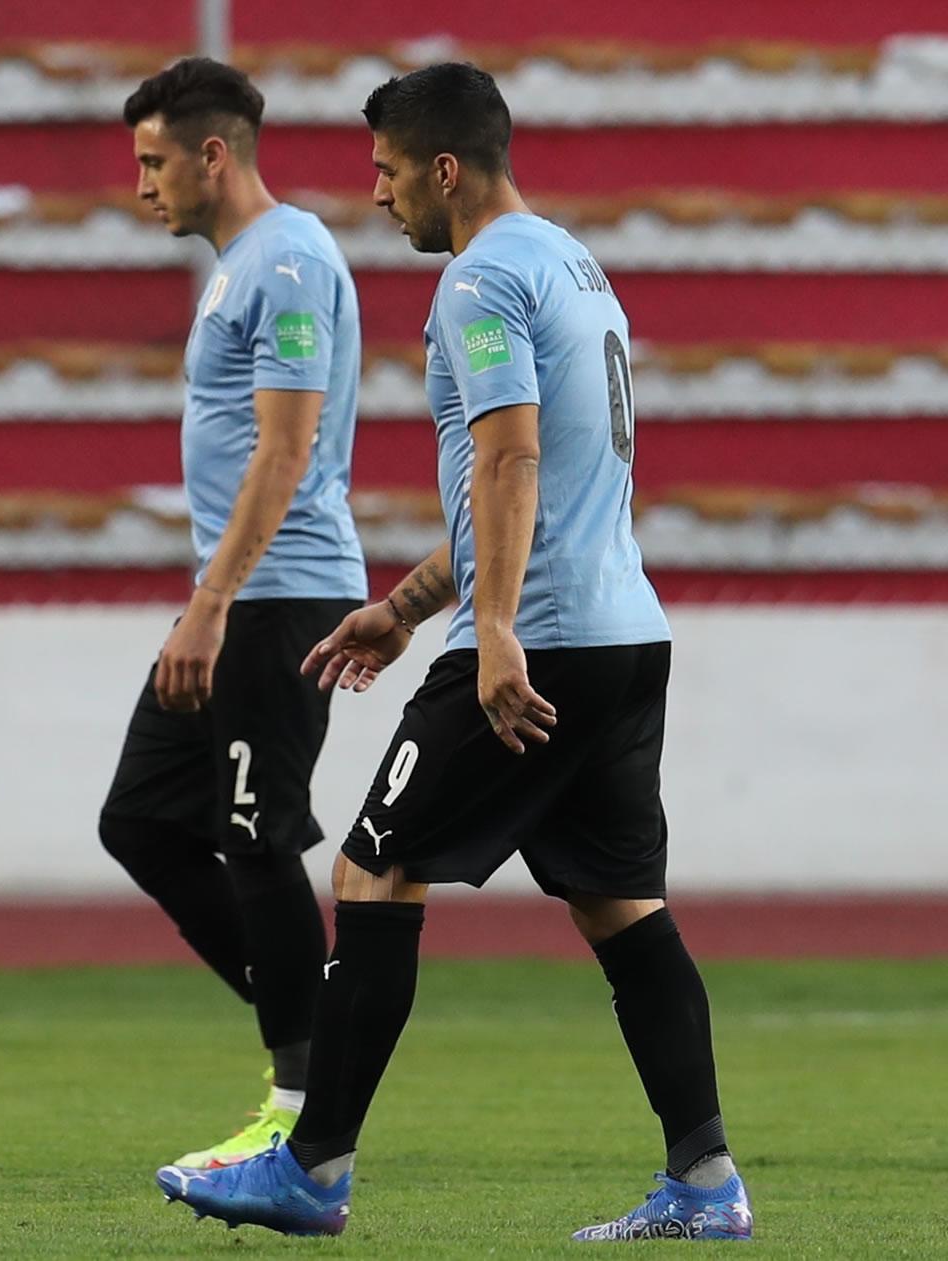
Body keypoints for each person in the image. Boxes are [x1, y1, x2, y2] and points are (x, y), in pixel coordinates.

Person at [156, 63, 753, 1242]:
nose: (378, 198)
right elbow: (567, 476)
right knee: (622, 906)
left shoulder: (479, 278)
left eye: (386, 173)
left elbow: (515, 460)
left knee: (373, 870)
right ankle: (704, 1181)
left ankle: (311, 1166)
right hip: (626, 634)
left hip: (541, 642)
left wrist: (488, 631)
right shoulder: (572, 263)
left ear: (443, 169)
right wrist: (411, 603)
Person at [99, 57, 368, 1169]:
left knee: (257, 838)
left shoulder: (291, 260)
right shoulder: (241, 266)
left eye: (155, 161)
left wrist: (209, 605)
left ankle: (302, 1105)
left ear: (215, 154)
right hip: (237, 593)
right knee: (145, 821)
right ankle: (315, 1030)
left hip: (280, 594)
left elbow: (289, 446)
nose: (144, 186)